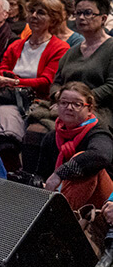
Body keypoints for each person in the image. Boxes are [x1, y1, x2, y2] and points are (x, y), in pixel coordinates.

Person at [35, 82, 113, 211]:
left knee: (86, 164)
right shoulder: (51, 137)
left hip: (105, 199)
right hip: (61, 194)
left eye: (77, 104)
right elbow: (41, 173)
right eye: (64, 103)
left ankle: (59, 217)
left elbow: (101, 156)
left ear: (89, 109)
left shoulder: (98, 132)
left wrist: (61, 173)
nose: (69, 108)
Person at [0, 0, 70, 101]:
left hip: (37, 101)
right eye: (31, 11)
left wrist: (13, 82)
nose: (34, 16)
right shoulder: (16, 45)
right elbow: (2, 71)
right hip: (8, 96)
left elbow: (46, 82)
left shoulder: (60, 48)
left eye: (41, 13)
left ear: (53, 20)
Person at [52, 0, 113, 128]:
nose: (81, 17)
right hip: (66, 108)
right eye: (78, 13)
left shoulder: (110, 48)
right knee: (35, 128)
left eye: (88, 13)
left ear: (103, 19)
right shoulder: (72, 50)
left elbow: (110, 87)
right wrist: (62, 98)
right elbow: (57, 82)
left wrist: (77, 101)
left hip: (100, 109)